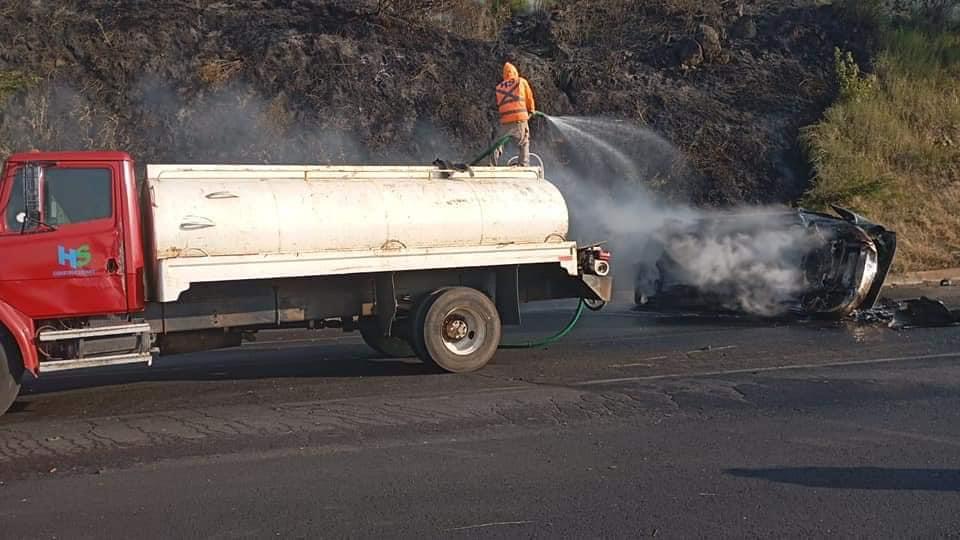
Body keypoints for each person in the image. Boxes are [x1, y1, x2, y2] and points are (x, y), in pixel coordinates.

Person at [490, 62, 536, 167]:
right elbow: (529, 98)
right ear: (515, 72)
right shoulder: (521, 81)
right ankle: (524, 164)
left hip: (505, 119)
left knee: (498, 143)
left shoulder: (499, 87)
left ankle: (492, 164)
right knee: (524, 141)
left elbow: (501, 103)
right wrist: (532, 110)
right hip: (520, 118)